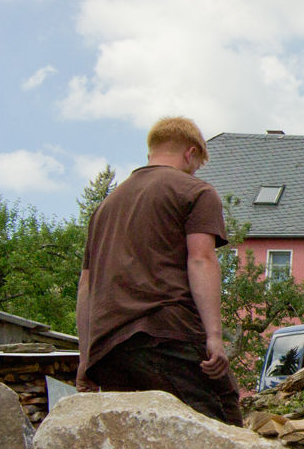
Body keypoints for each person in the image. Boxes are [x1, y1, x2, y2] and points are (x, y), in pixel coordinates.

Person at [75, 116, 244, 425]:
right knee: (222, 420)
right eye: (195, 164)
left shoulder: (104, 208)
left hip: (109, 348)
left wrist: (86, 359)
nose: (194, 170)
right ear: (190, 153)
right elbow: (201, 260)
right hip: (166, 333)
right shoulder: (195, 191)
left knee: (138, 440)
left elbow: (86, 284)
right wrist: (215, 337)